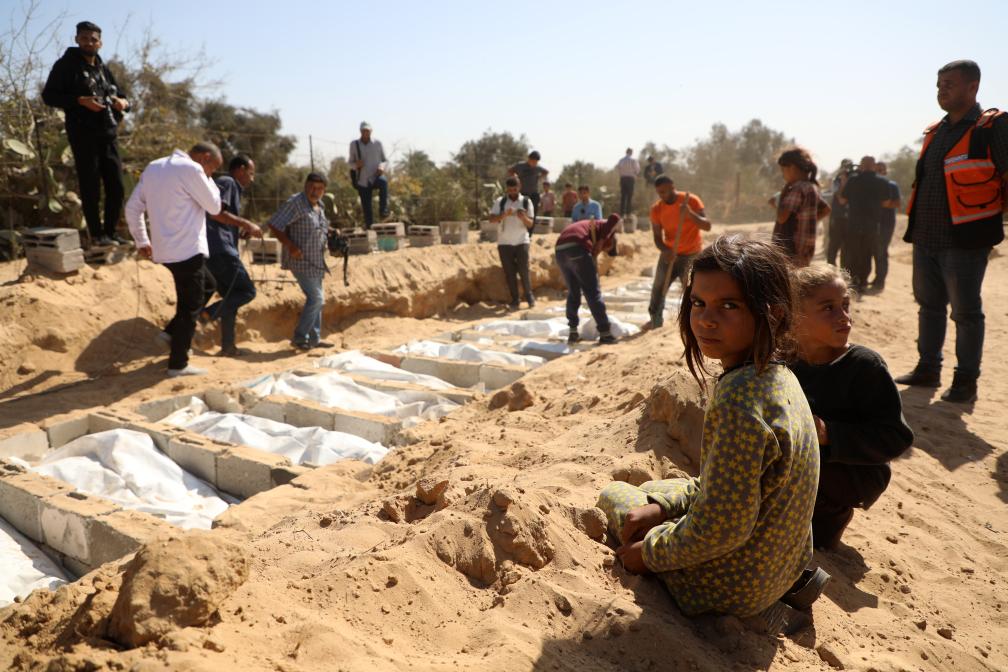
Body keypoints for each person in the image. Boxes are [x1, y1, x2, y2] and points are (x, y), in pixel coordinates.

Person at [596, 236, 820, 619]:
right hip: (782, 567)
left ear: (774, 314)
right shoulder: (780, 377)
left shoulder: (739, 401)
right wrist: (664, 507)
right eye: (698, 303)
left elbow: (722, 530)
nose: (706, 320)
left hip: (730, 587)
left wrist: (648, 555)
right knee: (656, 492)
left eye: (728, 306)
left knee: (614, 494)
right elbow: (730, 485)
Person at [897, 60, 1007, 403]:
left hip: (966, 241)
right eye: (939, 84)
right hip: (925, 238)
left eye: (949, 84)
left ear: (973, 87)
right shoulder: (935, 131)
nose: (941, 90)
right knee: (929, 307)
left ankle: (965, 381)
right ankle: (928, 369)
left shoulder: (993, 126)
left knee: (966, 313)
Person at [790, 264, 914, 550]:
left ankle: (831, 518)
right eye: (828, 308)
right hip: (798, 465)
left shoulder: (864, 365)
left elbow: (896, 437)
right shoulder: (782, 361)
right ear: (795, 315)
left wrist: (829, 434)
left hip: (853, 474)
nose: (844, 318)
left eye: (845, 306)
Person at [125, 142, 223, 377]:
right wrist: (208, 179)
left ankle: (170, 333)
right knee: (190, 305)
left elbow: (132, 208)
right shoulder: (192, 169)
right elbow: (214, 207)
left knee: (208, 285)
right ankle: (178, 364)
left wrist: (142, 240)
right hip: (187, 250)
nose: (212, 173)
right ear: (205, 158)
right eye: (213, 168)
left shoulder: (153, 167)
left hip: (165, 251)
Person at [42, 21, 129, 247]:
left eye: (93, 39)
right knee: (91, 186)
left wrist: (123, 103)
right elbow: (49, 96)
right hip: (83, 134)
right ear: (77, 40)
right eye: (84, 38)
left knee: (117, 186)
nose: (89, 42)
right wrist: (80, 101)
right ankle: (97, 235)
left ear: (100, 43)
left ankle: (111, 232)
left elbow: (122, 96)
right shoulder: (65, 65)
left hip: (108, 133)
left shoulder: (102, 68)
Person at [201, 154, 263, 357]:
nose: (252, 178)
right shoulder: (228, 182)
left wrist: (240, 230)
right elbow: (216, 213)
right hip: (221, 250)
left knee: (231, 298)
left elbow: (222, 218)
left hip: (214, 249)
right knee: (247, 292)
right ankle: (207, 314)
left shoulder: (228, 185)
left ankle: (228, 347)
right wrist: (247, 224)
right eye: (251, 173)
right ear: (241, 169)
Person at [268, 173, 333, 351]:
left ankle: (314, 339)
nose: (315, 191)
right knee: (317, 298)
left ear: (324, 190)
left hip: (317, 261)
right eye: (312, 187)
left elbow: (320, 227)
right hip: (301, 260)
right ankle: (299, 337)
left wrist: (333, 232)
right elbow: (274, 224)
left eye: (319, 188)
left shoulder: (320, 205)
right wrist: (290, 246)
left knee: (317, 300)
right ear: (305, 186)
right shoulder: (296, 203)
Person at [647, 175, 710, 329]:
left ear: (672, 187)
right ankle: (655, 320)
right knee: (659, 287)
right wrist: (665, 250)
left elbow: (707, 226)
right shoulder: (656, 209)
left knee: (691, 290)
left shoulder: (691, 201)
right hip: (670, 255)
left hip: (691, 254)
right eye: (659, 192)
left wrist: (690, 214)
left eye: (665, 191)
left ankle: (693, 322)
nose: (662, 195)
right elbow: (657, 237)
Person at [555, 214, 621, 345]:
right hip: (577, 247)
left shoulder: (592, 229)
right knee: (592, 292)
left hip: (560, 251)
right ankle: (605, 333)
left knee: (573, 292)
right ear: (611, 240)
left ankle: (573, 332)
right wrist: (601, 241)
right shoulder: (604, 227)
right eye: (605, 249)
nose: (602, 250)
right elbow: (615, 217)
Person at [837, 156, 894, 292]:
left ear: (862, 165)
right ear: (874, 166)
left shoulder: (853, 180)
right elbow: (886, 203)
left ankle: (853, 282)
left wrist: (843, 182)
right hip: (872, 225)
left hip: (854, 223)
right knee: (867, 254)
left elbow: (842, 200)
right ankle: (862, 282)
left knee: (852, 253)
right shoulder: (882, 182)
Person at [773, 148, 830, 267]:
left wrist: (782, 196)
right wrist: (807, 221)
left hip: (792, 249)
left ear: (792, 168)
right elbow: (826, 210)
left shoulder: (797, 189)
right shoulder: (811, 187)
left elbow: (782, 218)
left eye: (783, 170)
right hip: (806, 247)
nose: (783, 175)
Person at [489, 177, 535, 310]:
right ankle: (515, 299)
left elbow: (531, 224)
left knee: (524, 270)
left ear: (519, 187)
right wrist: (503, 215)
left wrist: (523, 217)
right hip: (504, 242)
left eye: (514, 189)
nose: (512, 192)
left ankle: (529, 296)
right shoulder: (500, 201)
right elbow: (491, 219)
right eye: (510, 190)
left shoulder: (526, 201)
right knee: (509, 273)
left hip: (522, 240)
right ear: (506, 189)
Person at [349, 122, 388, 229]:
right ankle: (370, 229)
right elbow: (350, 163)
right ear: (360, 131)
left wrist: (382, 167)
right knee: (367, 209)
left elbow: (385, 160)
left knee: (383, 182)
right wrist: (356, 165)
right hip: (362, 180)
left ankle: (383, 210)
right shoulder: (354, 144)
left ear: (371, 131)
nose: (365, 132)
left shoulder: (378, 143)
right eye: (363, 130)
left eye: (367, 130)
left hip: (375, 176)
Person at [871, 161, 901, 291]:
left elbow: (897, 203)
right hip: (872, 223)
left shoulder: (892, 185)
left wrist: (880, 203)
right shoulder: (871, 185)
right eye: (876, 170)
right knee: (872, 251)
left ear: (885, 171)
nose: (878, 172)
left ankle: (880, 280)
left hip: (886, 224)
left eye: (881, 170)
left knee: (881, 251)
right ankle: (876, 278)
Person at [825, 159, 853, 266]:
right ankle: (831, 268)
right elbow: (841, 199)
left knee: (847, 247)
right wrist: (843, 181)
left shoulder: (855, 180)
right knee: (834, 245)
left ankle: (844, 270)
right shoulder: (836, 181)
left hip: (850, 219)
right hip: (837, 217)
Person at [616, 148, 640, 216]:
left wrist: (622, 174)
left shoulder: (621, 160)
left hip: (623, 178)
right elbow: (637, 169)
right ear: (631, 152)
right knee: (629, 196)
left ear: (626, 152)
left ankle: (622, 212)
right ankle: (628, 212)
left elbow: (618, 168)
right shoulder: (633, 160)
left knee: (623, 196)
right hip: (630, 179)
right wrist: (634, 174)